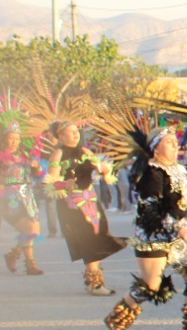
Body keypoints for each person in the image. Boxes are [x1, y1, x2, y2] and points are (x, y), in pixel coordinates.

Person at [101, 125, 187, 330]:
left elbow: (178, 206)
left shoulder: (179, 170)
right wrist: (179, 228)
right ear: (155, 149)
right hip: (153, 238)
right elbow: (151, 210)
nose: (175, 145)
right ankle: (116, 319)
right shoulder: (152, 174)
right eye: (169, 142)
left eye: (175, 141)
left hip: (178, 237)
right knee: (151, 286)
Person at [45, 120, 126, 295]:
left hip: (91, 200)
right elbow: (50, 182)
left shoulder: (85, 151)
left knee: (97, 235)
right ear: (60, 135)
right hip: (72, 204)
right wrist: (63, 184)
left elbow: (102, 171)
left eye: (77, 131)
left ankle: (93, 281)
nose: (76, 134)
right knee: (88, 237)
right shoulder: (58, 154)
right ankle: (94, 282)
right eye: (71, 131)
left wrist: (105, 171)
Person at [1, 114, 44, 275]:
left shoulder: (25, 154)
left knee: (34, 230)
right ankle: (30, 264)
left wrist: (36, 166)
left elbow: (39, 175)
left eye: (17, 138)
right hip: (9, 199)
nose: (14, 142)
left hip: (27, 196)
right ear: (5, 138)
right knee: (30, 228)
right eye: (11, 138)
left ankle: (13, 255)